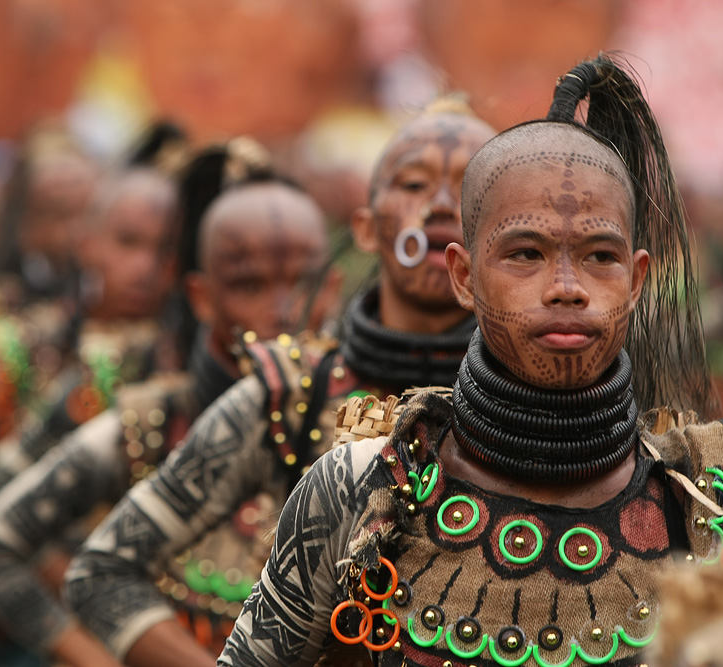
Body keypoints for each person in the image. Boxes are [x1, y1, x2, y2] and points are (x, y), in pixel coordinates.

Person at [215, 54, 720, 667]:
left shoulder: (705, 501)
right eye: (526, 254)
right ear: (463, 275)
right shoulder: (360, 490)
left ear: (637, 280)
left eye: (599, 257)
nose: (567, 287)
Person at [63, 98, 496, 667]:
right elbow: (101, 570)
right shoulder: (289, 391)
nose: (441, 205)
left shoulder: (548, 411)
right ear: (365, 227)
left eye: (469, 189)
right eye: (414, 184)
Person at [0, 142, 341, 667]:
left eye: (302, 280)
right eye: (249, 281)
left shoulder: (366, 419)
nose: (284, 310)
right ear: (200, 290)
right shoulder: (125, 389)